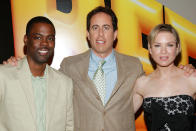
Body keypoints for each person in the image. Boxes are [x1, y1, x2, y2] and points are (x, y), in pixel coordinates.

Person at [3, 6, 196, 131]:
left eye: (106, 27)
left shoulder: (134, 66)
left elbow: (162, 86)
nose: (101, 33)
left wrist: (183, 69)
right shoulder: (69, 65)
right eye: (95, 28)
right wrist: (16, 64)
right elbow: (45, 83)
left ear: (115, 33)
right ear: (87, 34)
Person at [0, 16, 73, 131]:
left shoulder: (65, 83)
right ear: (26, 39)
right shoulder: (4, 76)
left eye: (50, 38)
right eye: (38, 37)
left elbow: (69, 126)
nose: (44, 43)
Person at [133, 24, 196, 131]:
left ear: (177, 48)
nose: (163, 51)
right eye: (157, 45)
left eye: (169, 45)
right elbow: (120, 118)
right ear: (150, 49)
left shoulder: (192, 78)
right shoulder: (142, 83)